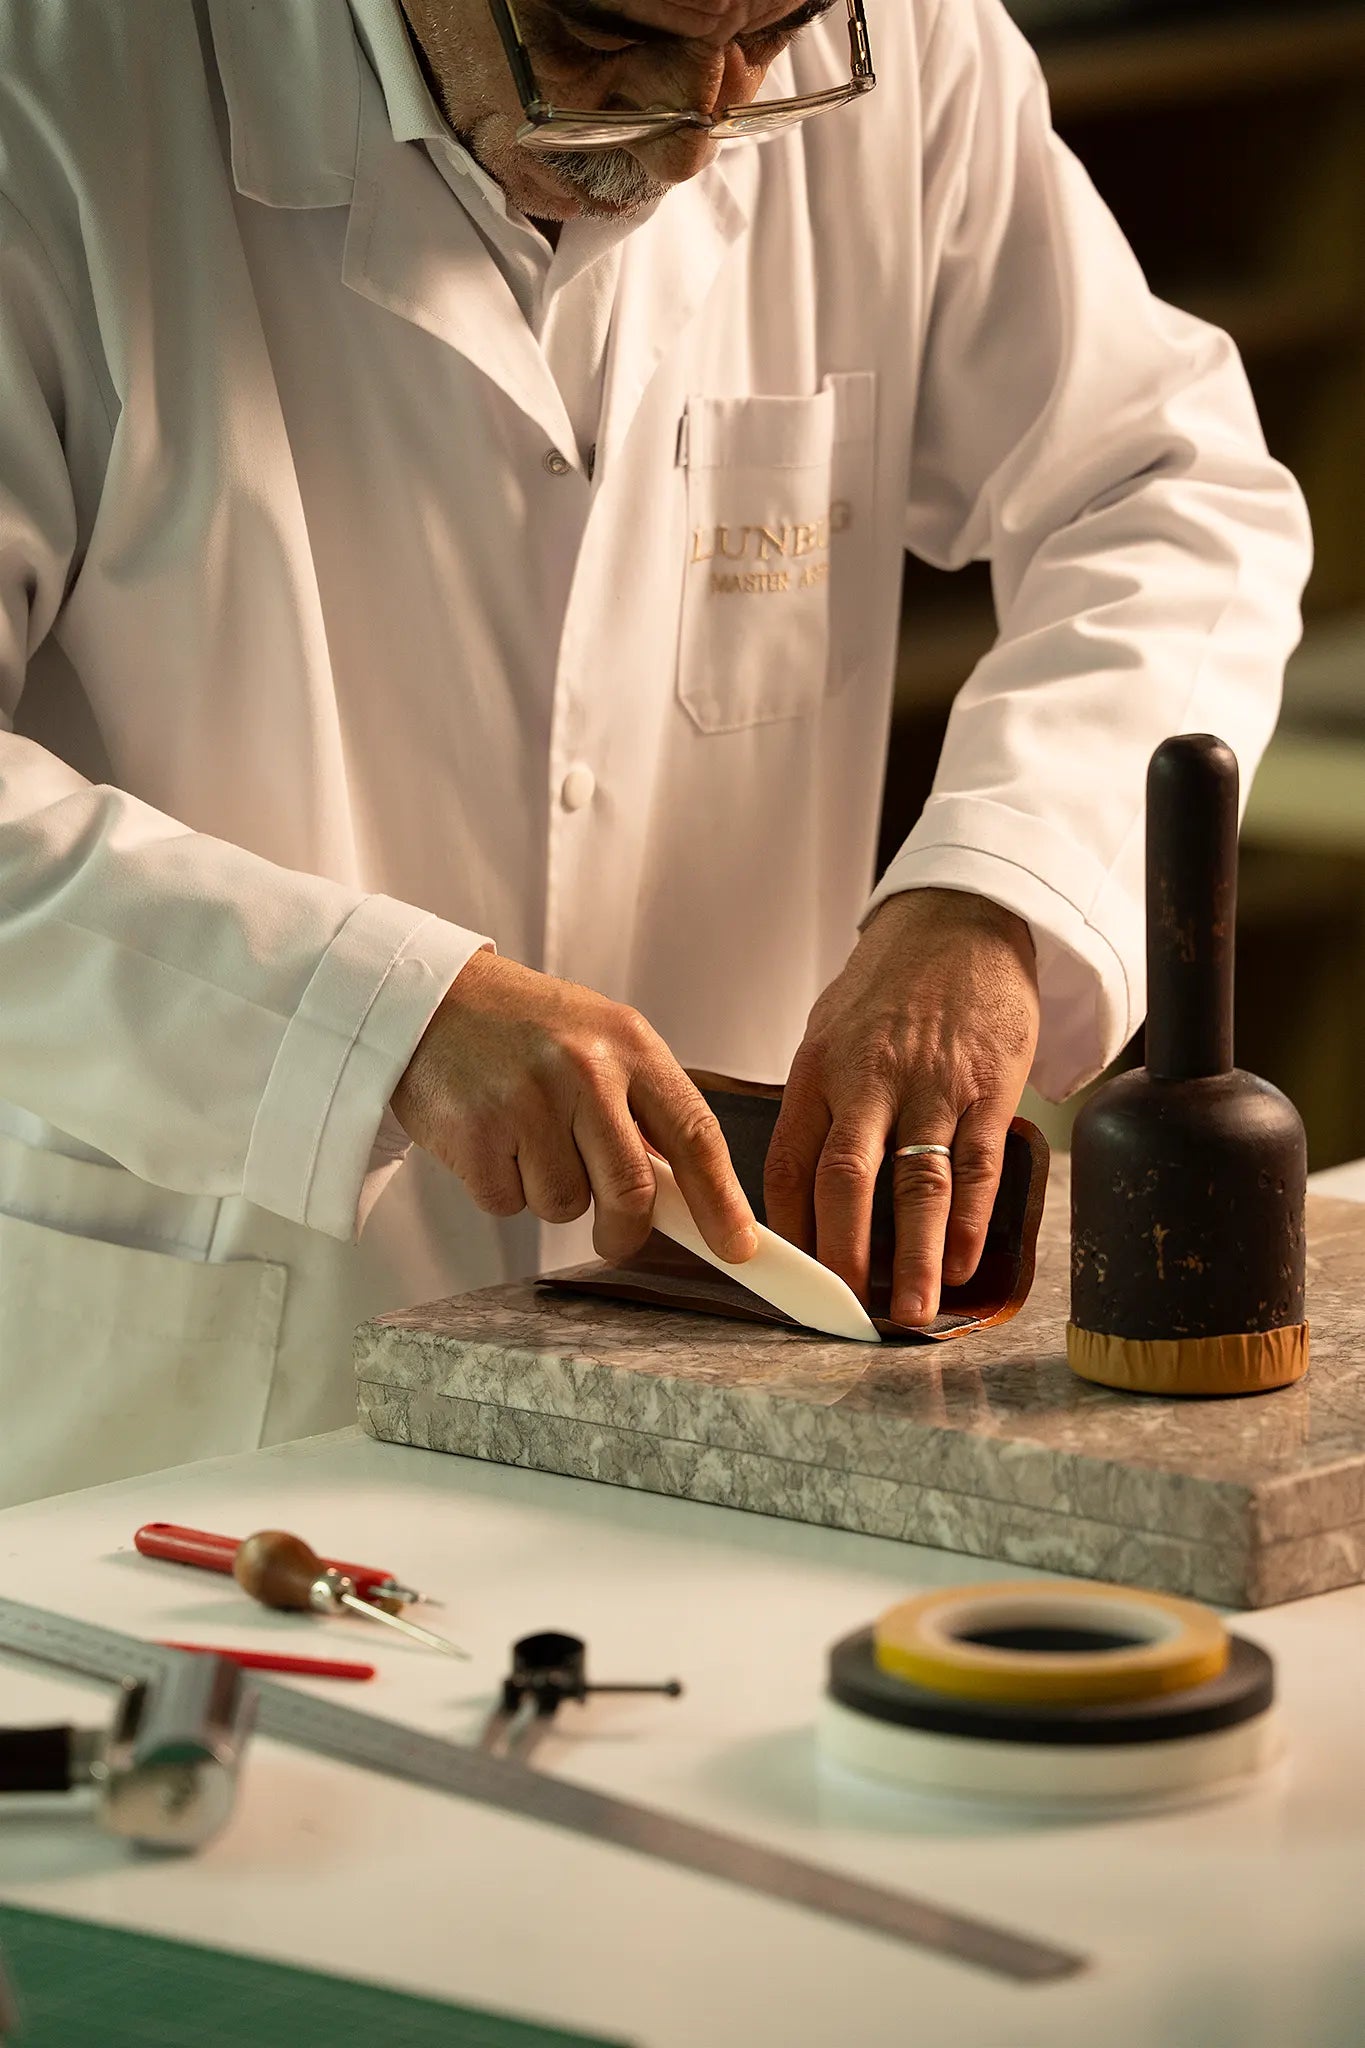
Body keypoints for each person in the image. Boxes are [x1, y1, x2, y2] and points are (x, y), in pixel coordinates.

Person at [0, 0, 1309, 1505]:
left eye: (772, 34)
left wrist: (998, 895)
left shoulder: (905, 42)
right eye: (601, 38)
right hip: (213, 1398)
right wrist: (375, 1021)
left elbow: (1165, 491)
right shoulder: (53, 97)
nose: (700, 130)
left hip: (745, 1367)